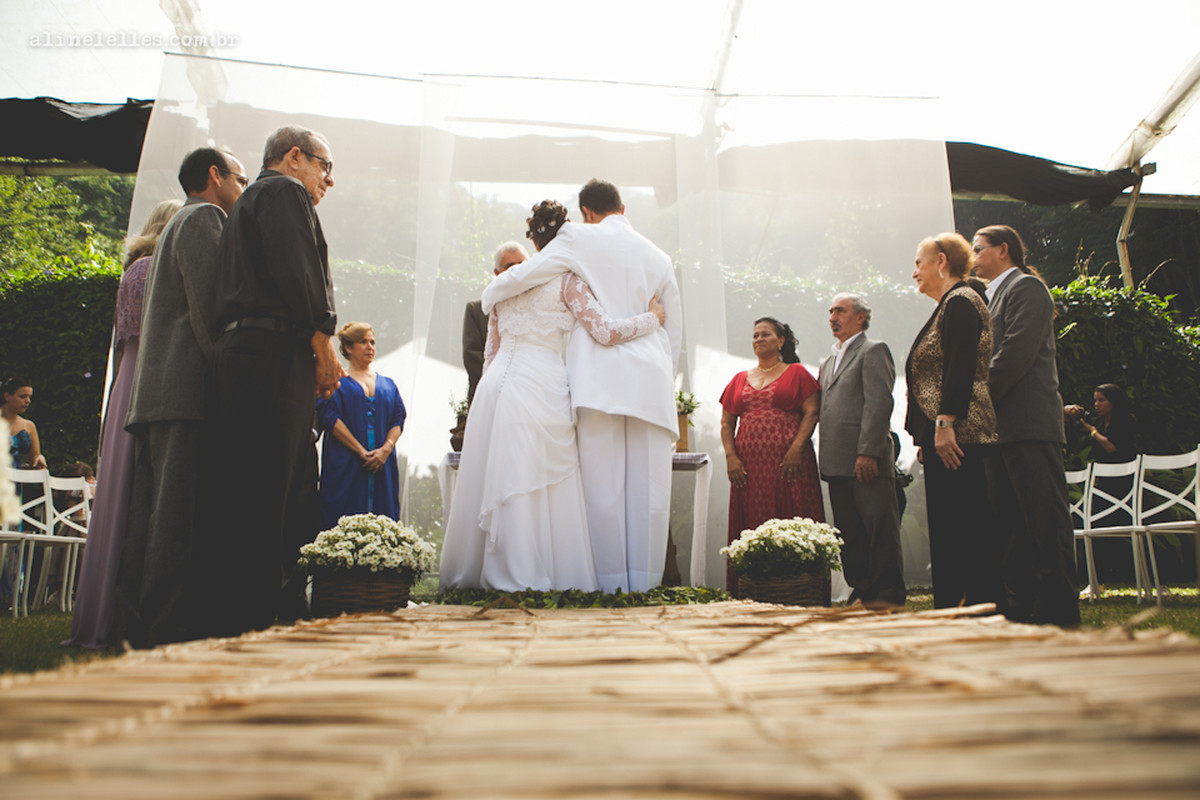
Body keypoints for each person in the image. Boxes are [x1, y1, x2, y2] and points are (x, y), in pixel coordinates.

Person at [441, 200, 665, 592]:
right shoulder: (567, 281)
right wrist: (651, 319)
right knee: (536, 477)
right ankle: (528, 570)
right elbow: (605, 331)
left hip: (496, 388)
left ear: (534, 238)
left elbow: (491, 352)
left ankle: (488, 569)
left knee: (497, 475)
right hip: (540, 383)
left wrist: (484, 401)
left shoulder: (502, 285)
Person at [202, 125, 344, 639]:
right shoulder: (282, 191)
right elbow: (298, 270)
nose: (330, 181)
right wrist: (323, 340)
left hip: (245, 355)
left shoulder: (245, 205)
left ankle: (253, 610)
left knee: (256, 485)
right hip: (268, 354)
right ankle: (259, 617)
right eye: (325, 167)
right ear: (293, 157)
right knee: (274, 488)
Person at [67, 198, 184, 648]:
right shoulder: (156, 269)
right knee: (137, 494)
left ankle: (103, 611)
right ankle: (127, 611)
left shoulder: (132, 269)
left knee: (120, 493)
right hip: (147, 380)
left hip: (127, 380)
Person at [973, 224, 1080, 627]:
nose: (973, 256)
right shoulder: (990, 298)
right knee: (1012, 524)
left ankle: (1059, 609)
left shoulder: (1027, 289)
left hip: (1030, 426)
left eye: (979, 249)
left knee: (1044, 521)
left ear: (1003, 250)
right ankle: (1024, 606)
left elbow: (1014, 354)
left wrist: (974, 401)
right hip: (1000, 429)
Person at [905, 233, 999, 609]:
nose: (915, 273)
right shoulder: (950, 303)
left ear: (941, 261)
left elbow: (960, 367)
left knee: (964, 521)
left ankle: (972, 604)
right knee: (949, 521)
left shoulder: (961, 302)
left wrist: (944, 425)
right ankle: (956, 604)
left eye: (919, 263)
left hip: (961, 434)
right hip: (944, 433)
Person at [720, 317, 823, 595]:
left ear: (781, 341)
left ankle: (799, 589)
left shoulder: (798, 373)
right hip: (748, 469)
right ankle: (753, 590)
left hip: (789, 464)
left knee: (792, 516)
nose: (759, 339)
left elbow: (812, 413)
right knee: (752, 519)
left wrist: (797, 448)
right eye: (755, 335)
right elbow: (727, 423)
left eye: (766, 334)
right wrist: (731, 457)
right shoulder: (738, 379)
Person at [818, 293, 905, 607]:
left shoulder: (874, 350)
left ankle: (887, 593)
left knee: (878, 528)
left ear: (860, 317)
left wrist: (868, 451)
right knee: (850, 533)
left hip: (865, 459)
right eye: (830, 311)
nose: (832, 317)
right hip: (835, 461)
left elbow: (879, 402)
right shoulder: (827, 361)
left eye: (840, 310)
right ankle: (863, 589)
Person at [317, 322, 406, 529]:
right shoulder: (336, 381)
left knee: (383, 523)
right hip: (346, 462)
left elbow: (398, 418)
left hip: (383, 465)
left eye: (372, 342)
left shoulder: (388, 384)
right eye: (363, 342)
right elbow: (329, 417)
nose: (370, 347)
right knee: (341, 520)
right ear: (348, 347)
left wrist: (385, 450)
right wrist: (360, 451)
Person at [453, 242, 528, 451]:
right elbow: (472, 355)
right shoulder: (478, 309)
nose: (515, 269)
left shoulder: (538, 304)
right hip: (489, 396)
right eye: (509, 265)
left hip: (530, 394)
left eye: (521, 263)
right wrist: (503, 382)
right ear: (497, 272)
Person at [1065, 383, 1137, 464]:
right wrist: (1068, 410)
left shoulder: (1126, 420)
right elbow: (1070, 426)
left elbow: (1111, 448)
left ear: (1114, 401)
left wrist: (1093, 431)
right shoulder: (1098, 422)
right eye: (1095, 400)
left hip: (1122, 469)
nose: (1097, 404)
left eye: (1101, 400)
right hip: (1101, 470)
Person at [3, 377, 47, 471]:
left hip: (17, 480)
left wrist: (39, 459)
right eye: (22, 396)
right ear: (7, 396)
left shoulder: (29, 426)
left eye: (29, 397)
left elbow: (34, 459)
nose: (28, 401)